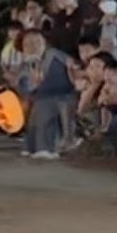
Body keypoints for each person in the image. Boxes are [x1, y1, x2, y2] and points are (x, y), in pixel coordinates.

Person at [21, 30, 73, 160]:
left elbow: (67, 75)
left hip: (62, 95)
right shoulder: (28, 64)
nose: (31, 47)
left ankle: (46, 147)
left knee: (44, 108)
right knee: (35, 112)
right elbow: (27, 87)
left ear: (43, 42)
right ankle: (34, 146)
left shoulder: (54, 55)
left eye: (35, 42)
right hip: (41, 98)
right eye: (27, 44)